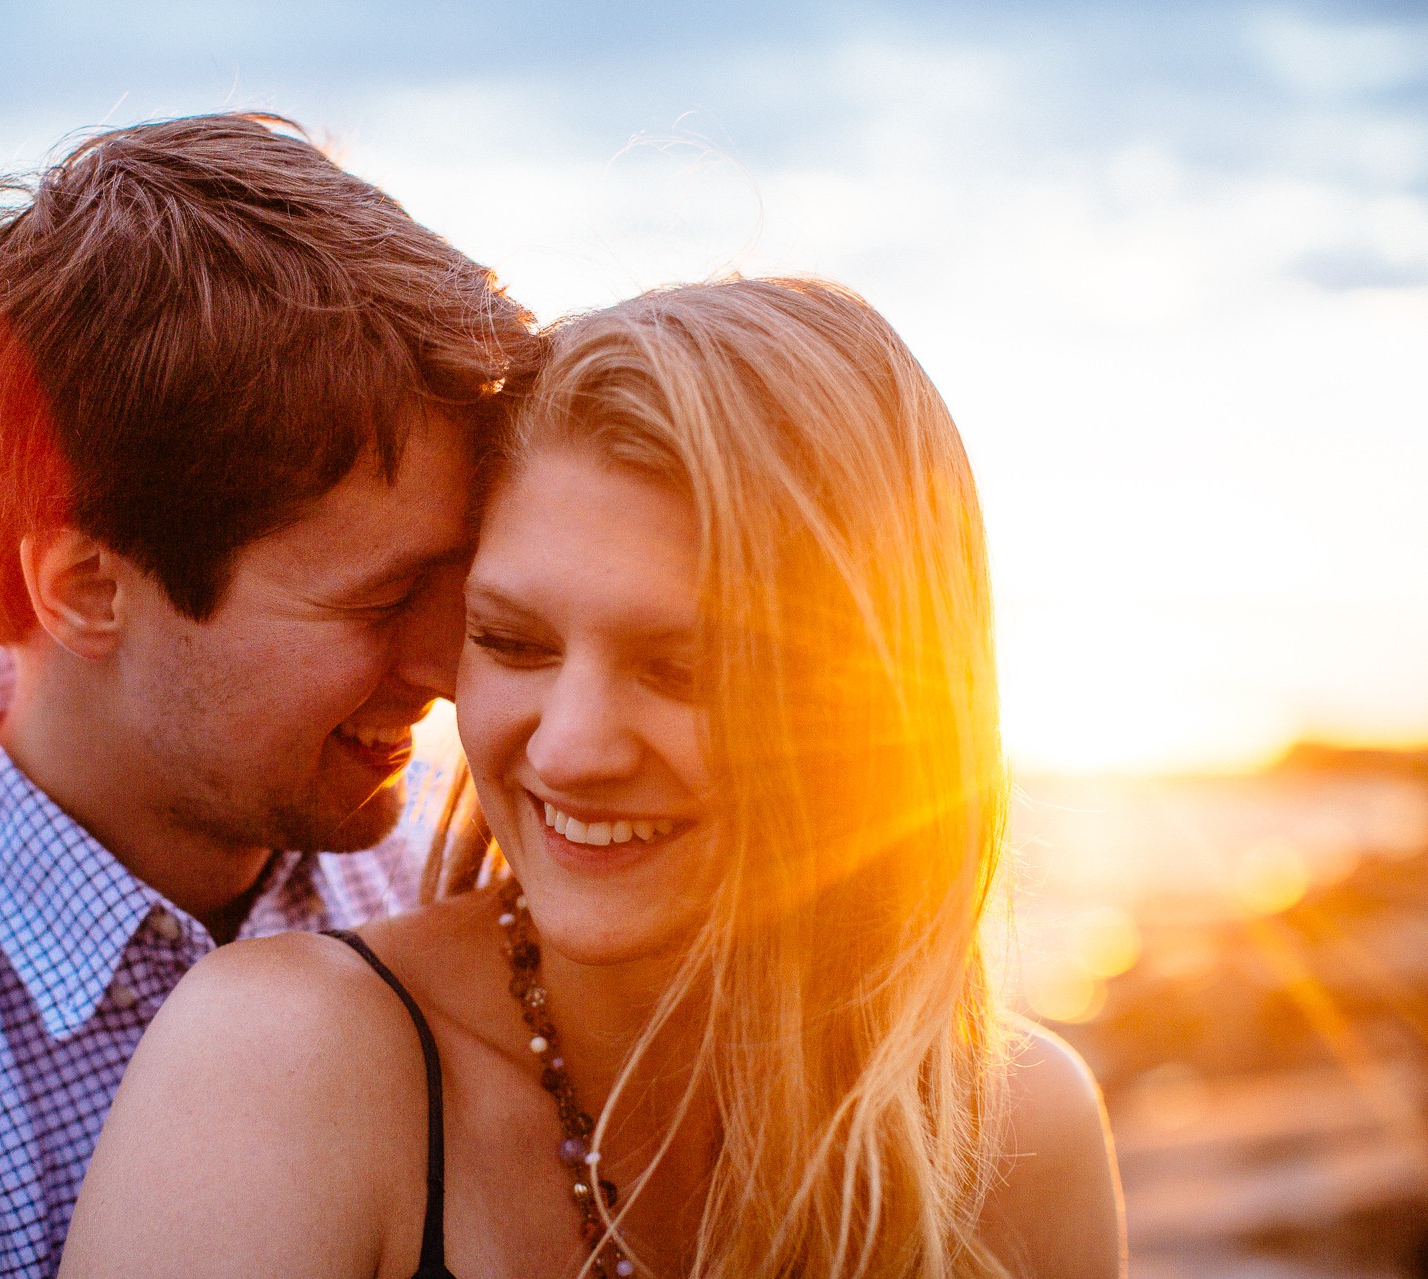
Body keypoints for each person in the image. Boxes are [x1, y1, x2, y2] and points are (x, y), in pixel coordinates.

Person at [61, 277, 1125, 1278]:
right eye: (513, 642)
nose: (570, 748)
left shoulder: (1022, 1135)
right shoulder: (283, 1067)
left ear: (882, 706)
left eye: (682, 668)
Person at [0, 113, 536, 1277]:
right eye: (382, 599)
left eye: (458, 580)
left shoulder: (453, 873)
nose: (442, 668)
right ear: (86, 590)